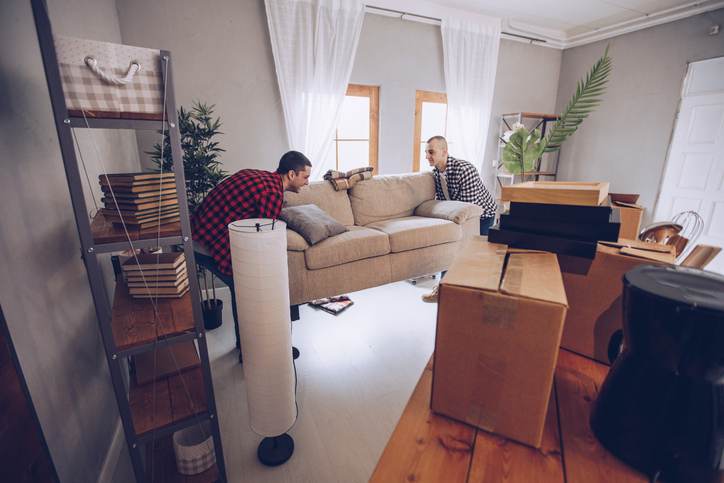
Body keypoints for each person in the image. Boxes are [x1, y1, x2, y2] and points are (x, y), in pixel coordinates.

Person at [191, 150, 311, 361]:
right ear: (291, 174)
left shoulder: (262, 177)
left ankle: (249, 348)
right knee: (248, 291)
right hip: (206, 242)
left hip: (197, 233)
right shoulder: (273, 193)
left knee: (246, 290)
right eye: (305, 176)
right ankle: (251, 351)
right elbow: (264, 240)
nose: (307, 182)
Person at [421, 135, 497, 303]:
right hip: (458, 213)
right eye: (426, 152)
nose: (427, 156)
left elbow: (469, 208)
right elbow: (443, 203)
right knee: (451, 248)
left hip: (481, 215)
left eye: (431, 152)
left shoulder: (465, 170)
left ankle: (473, 292)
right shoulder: (436, 173)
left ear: (444, 152)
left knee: (473, 254)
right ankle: (443, 289)